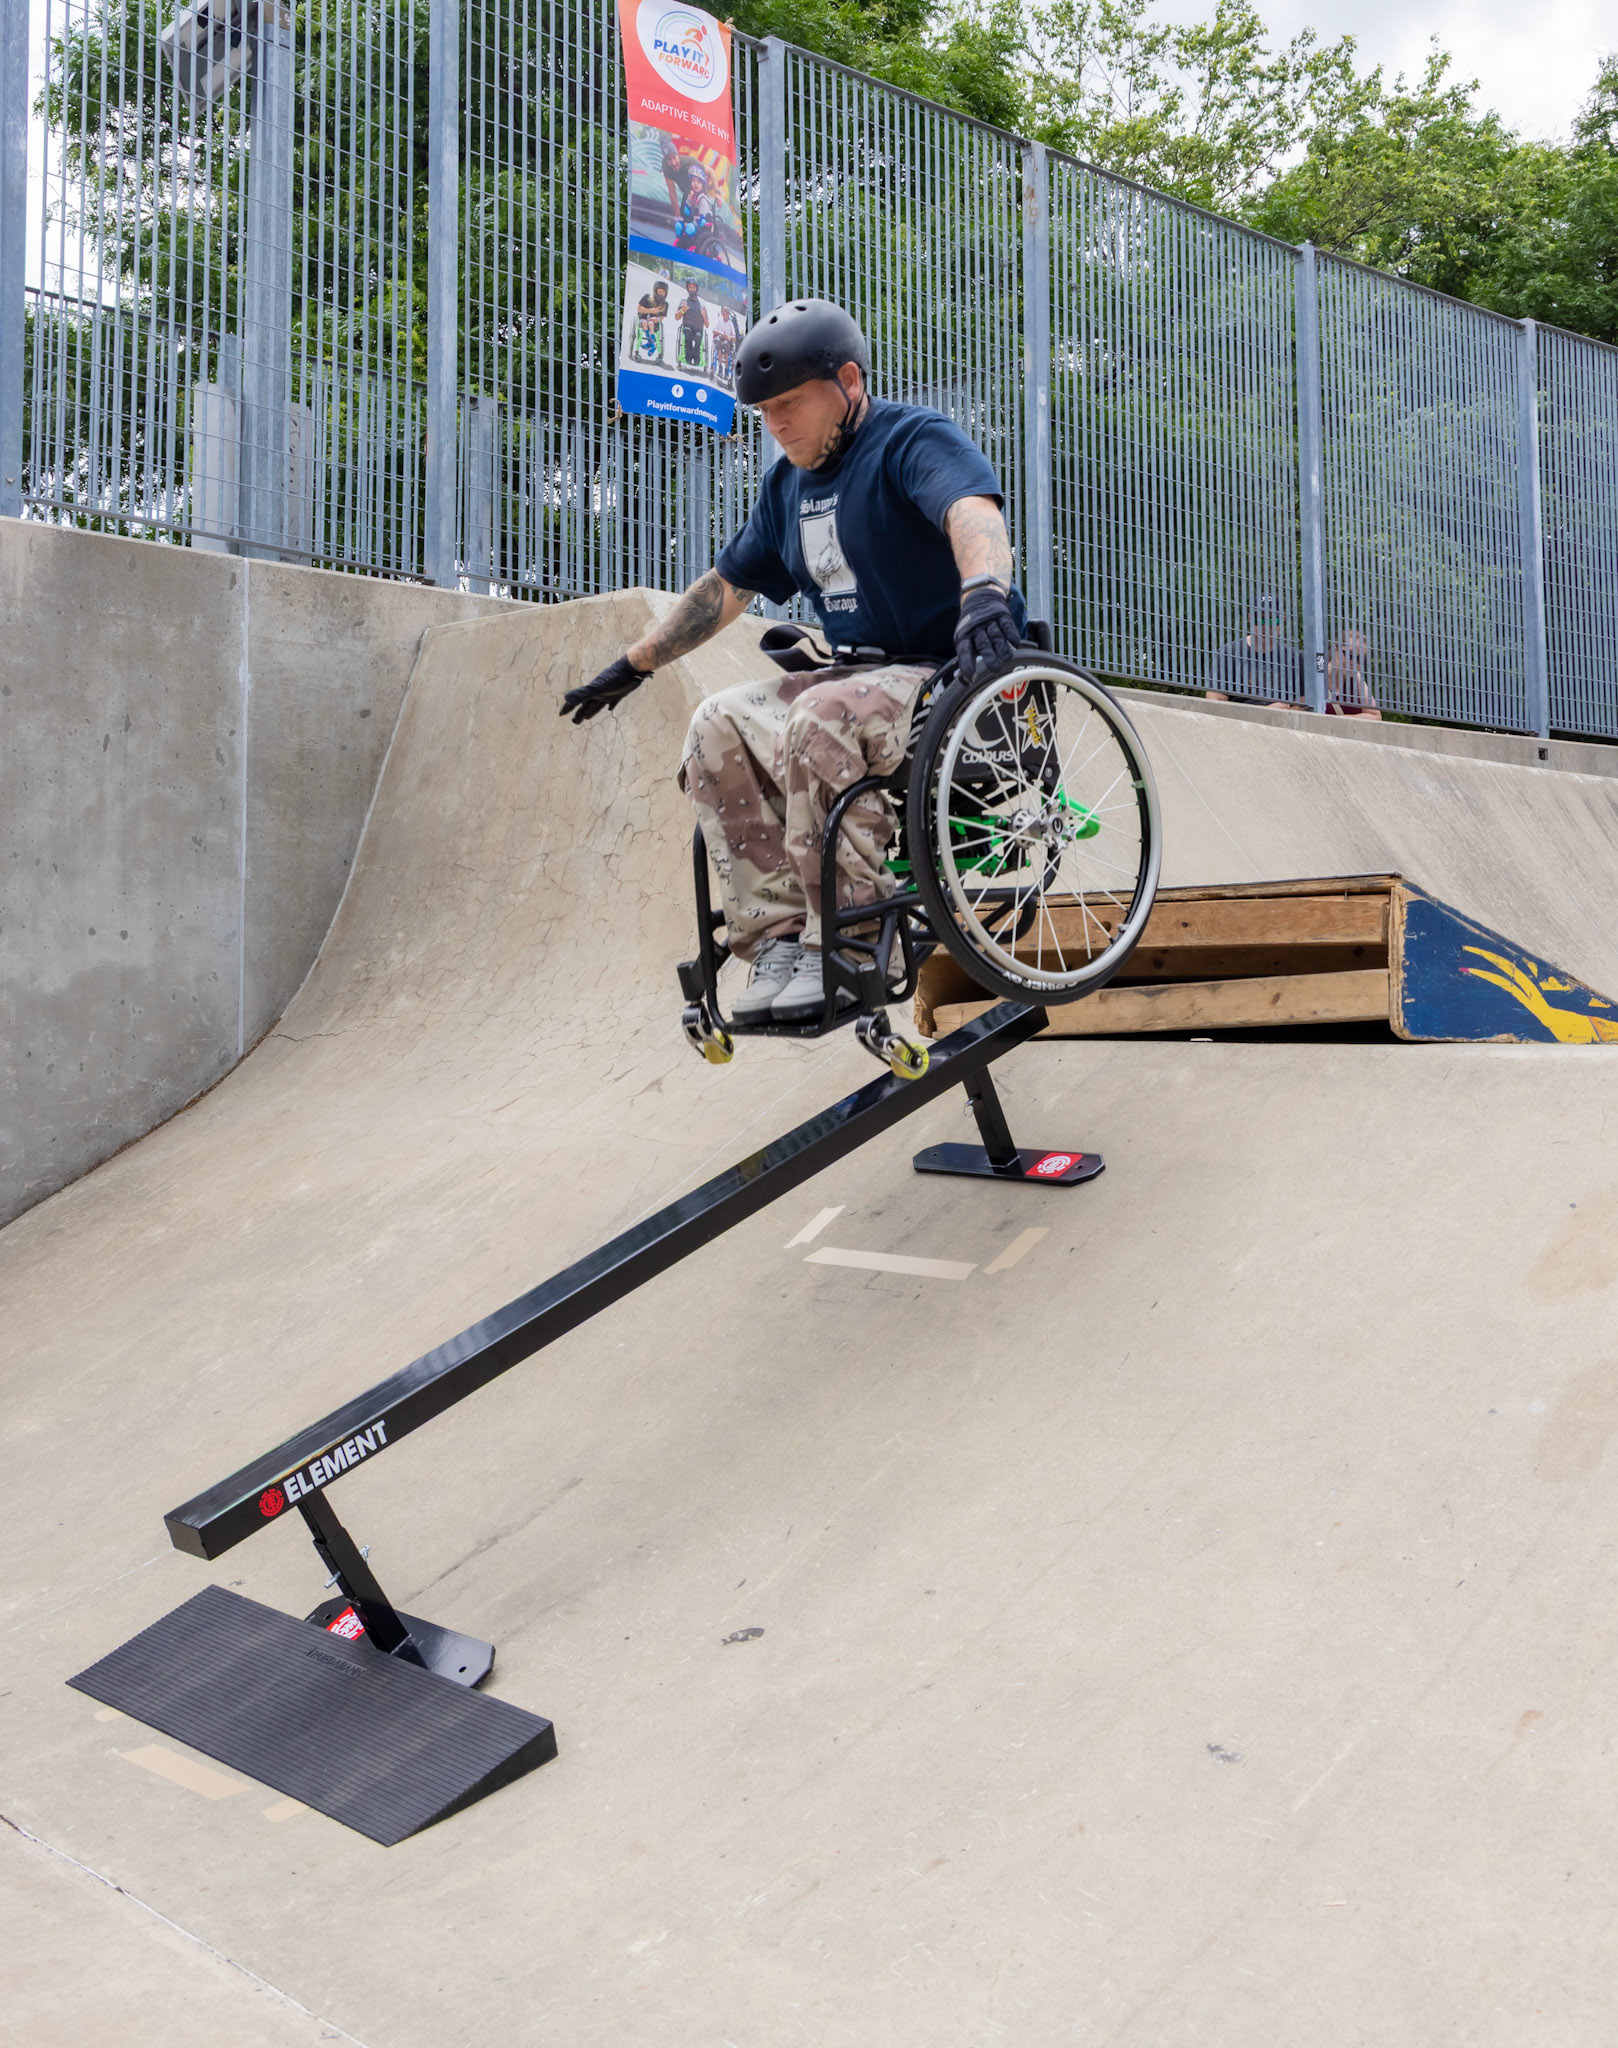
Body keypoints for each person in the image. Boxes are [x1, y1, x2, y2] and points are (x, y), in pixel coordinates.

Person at [559, 297, 1026, 1024]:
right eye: (764, 412)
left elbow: (973, 512)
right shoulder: (786, 489)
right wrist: (634, 664)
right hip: (856, 678)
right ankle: (779, 936)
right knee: (715, 722)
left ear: (849, 382)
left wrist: (985, 594)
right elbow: (726, 589)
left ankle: (856, 939)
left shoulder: (910, 439)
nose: (775, 425)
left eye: (790, 404)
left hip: (950, 675)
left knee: (819, 714)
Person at [1206, 596, 1307, 707]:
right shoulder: (1228, 653)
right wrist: (1265, 712)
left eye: (1273, 620)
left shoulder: (1296, 658)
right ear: (1250, 618)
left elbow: (1303, 704)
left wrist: (1283, 713)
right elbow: (1214, 702)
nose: (1265, 626)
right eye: (1259, 620)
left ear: (1282, 620)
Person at [1323, 626, 1380, 718]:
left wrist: (1340, 720)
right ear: (1335, 649)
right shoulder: (1317, 676)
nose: (1353, 662)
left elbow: (1376, 716)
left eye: (1359, 659)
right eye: (1350, 655)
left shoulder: (1356, 678)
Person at [634, 279, 670, 363]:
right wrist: (651, 311)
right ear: (655, 290)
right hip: (643, 319)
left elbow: (662, 317)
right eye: (659, 291)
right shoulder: (647, 297)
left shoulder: (665, 304)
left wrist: (657, 319)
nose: (661, 293)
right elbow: (639, 308)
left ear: (665, 293)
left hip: (654, 323)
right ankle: (650, 342)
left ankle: (652, 343)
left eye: (663, 292)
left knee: (650, 323)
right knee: (644, 322)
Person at [677, 281, 709, 369]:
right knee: (688, 332)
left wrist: (704, 316)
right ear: (688, 289)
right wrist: (682, 310)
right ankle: (688, 355)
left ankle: (696, 357)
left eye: (693, 287)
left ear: (696, 289)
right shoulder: (684, 302)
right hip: (687, 327)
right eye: (690, 287)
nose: (692, 289)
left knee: (698, 337)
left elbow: (707, 325)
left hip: (698, 329)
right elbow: (676, 317)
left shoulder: (702, 304)